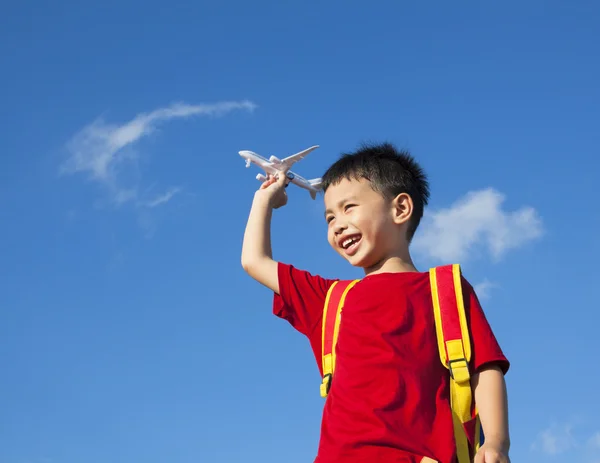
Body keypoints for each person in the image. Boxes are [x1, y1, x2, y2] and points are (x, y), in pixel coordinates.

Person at [241, 142, 511, 463]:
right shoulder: (330, 300)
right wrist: (265, 200)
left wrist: (495, 442)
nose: (337, 224)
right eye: (329, 218)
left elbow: (484, 367)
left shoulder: (446, 290)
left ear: (400, 209)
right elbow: (254, 261)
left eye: (348, 207)